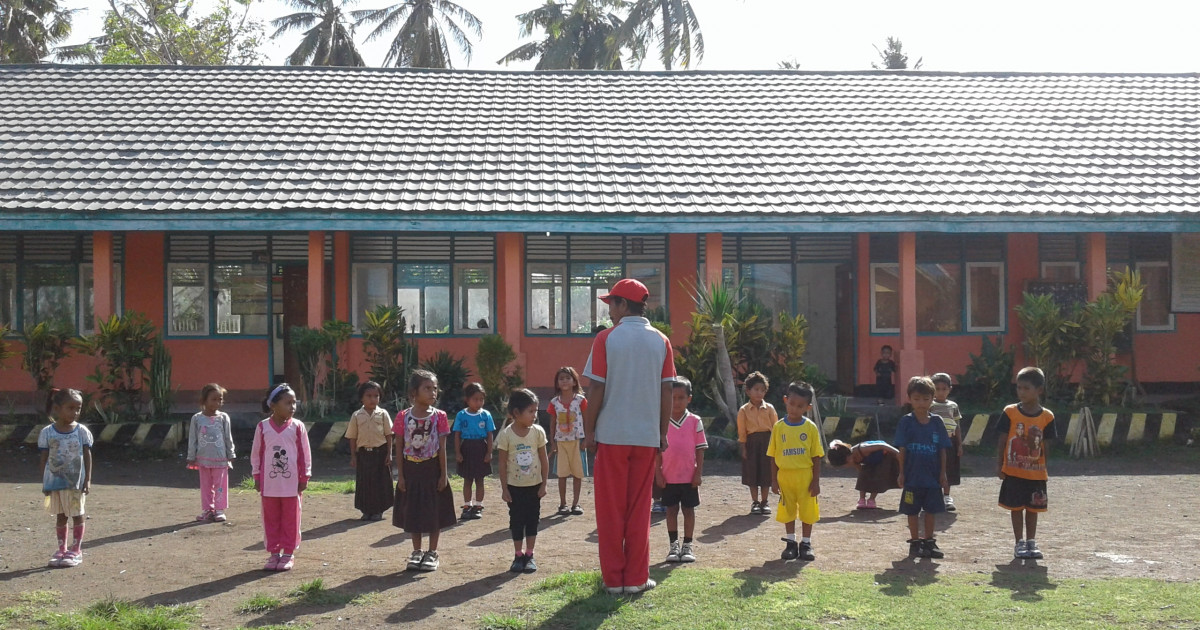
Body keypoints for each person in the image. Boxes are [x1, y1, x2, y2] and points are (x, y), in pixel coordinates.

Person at [583, 278, 675, 595]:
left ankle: (613, 579)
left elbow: (596, 387)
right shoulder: (662, 341)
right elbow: (667, 390)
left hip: (611, 435)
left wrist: (589, 429)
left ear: (623, 305)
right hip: (646, 437)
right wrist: (662, 433)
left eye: (611, 304)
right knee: (639, 510)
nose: (609, 311)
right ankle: (636, 577)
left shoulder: (607, 339)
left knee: (610, 510)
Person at [393, 370, 456, 572]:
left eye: (435, 388)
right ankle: (417, 551)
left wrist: (443, 474)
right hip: (411, 469)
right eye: (427, 388)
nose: (432, 392)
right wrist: (400, 475)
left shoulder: (440, 417)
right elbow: (399, 446)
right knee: (414, 510)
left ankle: (432, 552)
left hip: (432, 468)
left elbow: (443, 447)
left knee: (433, 510)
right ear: (414, 392)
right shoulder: (403, 417)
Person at [997, 367, 1058, 560]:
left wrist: (1045, 468)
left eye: (1026, 388)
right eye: (1019, 388)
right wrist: (999, 464)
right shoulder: (1010, 412)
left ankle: (1032, 541)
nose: (1021, 392)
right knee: (1016, 508)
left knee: (1033, 508)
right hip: (1014, 472)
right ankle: (1019, 542)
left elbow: (1047, 445)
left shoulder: (1047, 416)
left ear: (1039, 390)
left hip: (1036, 473)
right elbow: (1002, 440)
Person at [250, 383, 311, 571]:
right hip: (269, 486)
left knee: (291, 519)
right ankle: (274, 553)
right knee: (271, 519)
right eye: (288, 403)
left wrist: (304, 476)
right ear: (273, 405)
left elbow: (304, 454)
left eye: (295, 403)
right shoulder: (262, 427)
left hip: (291, 485)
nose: (292, 407)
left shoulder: (298, 427)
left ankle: (288, 553)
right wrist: (257, 475)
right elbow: (256, 453)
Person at [768, 381, 824, 561]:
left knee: (808, 510)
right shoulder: (778, 427)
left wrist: (815, 481)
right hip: (785, 477)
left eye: (800, 406)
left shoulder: (810, 428)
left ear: (807, 408)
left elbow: (816, 456)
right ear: (785, 400)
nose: (794, 409)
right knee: (788, 509)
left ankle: (806, 543)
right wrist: (774, 481)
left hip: (805, 477)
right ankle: (790, 543)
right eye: (791, 404)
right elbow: (772, 455)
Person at [895, 376, 950, 559]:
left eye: (926, 399)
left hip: (932, 477)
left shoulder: (937, 422)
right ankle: (914, 542)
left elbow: (942, 450)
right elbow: (901, 449)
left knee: (931, 510)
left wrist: (943, 474)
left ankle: (929, 541)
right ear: (910, 398)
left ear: (932, 399)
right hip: (912, 477)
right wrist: (901, 473)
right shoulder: (906, 422)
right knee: (912, 510)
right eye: (917, 399)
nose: (921, 403)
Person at [497, 388, 550, 573]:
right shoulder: (506, 435)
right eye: (531, 411)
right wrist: (504, 489)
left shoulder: (538, 432)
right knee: (517, 521)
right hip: (514, 488)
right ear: (516, 413)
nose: (534, 415)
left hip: (534, 487)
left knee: (532, 520)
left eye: (536, 411)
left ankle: (530, 554)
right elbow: (502, 464)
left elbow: (544, 459)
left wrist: (544, 483)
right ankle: (518, 555)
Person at [655, 377, 707, 563]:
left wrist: (698, 473)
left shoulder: (695, 421)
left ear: (689, 399)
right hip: (668, 477)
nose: (676, 402)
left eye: (681, 398)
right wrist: (658, 473)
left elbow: (700, 449)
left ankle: (687, 545)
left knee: (688, 510)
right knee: (670, 510)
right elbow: (656, 450)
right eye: (673, 397)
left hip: (689, 477)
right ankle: (673, 545)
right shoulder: (661, 421)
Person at [39, 388, 92, 568]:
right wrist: (44, 481)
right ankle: (61, 549)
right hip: (55, 483)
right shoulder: (47, 432)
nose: (75, 412)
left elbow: (87, 455)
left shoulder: (81, 431)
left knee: (77, 514)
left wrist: (88, 479)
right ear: (57, 408)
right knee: (60, 516)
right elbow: (44, 459)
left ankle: (76, 550)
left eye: (78, 408)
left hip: (75, 483)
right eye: (70, 408)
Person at [347, 381, 394, 522]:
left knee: (380, 482)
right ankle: (366, 510)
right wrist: (353, 456)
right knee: (365, 482)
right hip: (363, 454)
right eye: (369, 396)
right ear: (362, 398)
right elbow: (352, 437)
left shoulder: (383, 414)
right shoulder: (356, 416)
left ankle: (378, 510)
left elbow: (389, 434)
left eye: (376, 396)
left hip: (380, 453)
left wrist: (389, 453)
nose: (373, 399)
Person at [187, 383, 235, 523]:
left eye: (220, 399)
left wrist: (231, 453)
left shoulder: (224, 418)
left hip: (220, 460)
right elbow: (193, 439)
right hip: (203, 460)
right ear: (204, 400)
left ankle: (219, 509)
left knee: (220, 485)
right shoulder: (197, 419)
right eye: (214, 399)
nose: (218, 402)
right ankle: (208, 510)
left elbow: (228, 437)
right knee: (206, 486)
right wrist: (191, 456)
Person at [453, 382, 495, 521]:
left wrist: (489, 452)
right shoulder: (461, 415)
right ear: (467, 399)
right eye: (475, 399)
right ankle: (467, 506)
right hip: (467, 448)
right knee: (467, 479)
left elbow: (489, 435)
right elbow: (457, 435)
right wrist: (458, 452)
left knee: (480, 479)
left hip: (480, 448)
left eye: (481, 399)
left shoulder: (486, 415)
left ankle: (478, 506)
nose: (479, 402)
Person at [737, 371, 777, 515]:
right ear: (748, 391)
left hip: (768, 443)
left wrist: (776, 446)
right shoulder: (743, 410)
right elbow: (742, 431)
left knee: (766, 473)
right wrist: (744, 447)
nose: (759, 393)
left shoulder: (770, 409)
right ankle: (755, 502)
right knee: (752, 473)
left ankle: (765, 502)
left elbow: (776, 428)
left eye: (762, 390)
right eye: (756, 390)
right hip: (752, 444)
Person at [548, 367, 587, 516]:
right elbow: (552, 422)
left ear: (574, 381)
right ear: (557, 383)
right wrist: (552, 441)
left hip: (577, 441)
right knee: (562, 474)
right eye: (561, 378)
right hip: (561, 442)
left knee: (578, 473)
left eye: (567, 378)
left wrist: (587, 438)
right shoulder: (554, 402)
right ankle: (563, 503)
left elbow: (586, 418)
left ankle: (575, 504)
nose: (564, 381)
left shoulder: (581, 400)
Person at [826, 439, 900, 509]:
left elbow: (882, 445)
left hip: (884, 456)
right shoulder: (852, 460)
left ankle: (871, 499)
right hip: (869, 460)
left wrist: (898, 453)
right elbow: (861, 472)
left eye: (846, 464)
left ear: (849, 458)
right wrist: (866, 477)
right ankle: (862, 499)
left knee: (879, 476)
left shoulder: (863, 449)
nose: (846, 466)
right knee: (863, 475)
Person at [930, 373, 964, 512]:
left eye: (944, 389)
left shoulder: (953, 406)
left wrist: (960, 444)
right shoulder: (930, 405)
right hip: (934, 442)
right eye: (937, 388)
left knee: (949, 468)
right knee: (934, 468)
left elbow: (957, 425)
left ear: (950, 389)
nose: (941, 392)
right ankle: (933, 496)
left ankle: (947, 496)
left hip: (950, 442)